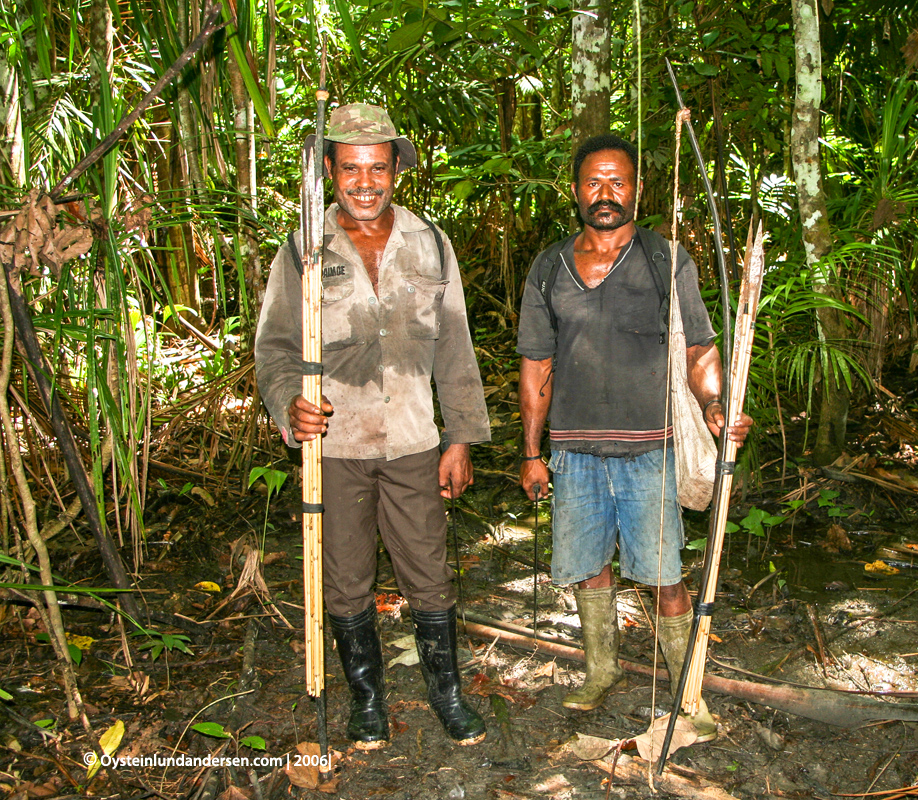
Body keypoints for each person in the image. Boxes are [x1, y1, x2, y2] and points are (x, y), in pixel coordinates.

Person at [255, 103, 489, 749]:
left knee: (429, 571)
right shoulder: (304, 246)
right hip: (334, 446)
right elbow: (273, 348)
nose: (365, 181)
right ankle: (366, 702)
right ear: (330, 170)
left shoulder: (430, 242)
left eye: (377, 167)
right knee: (346, 574)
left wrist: (460, 437)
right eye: (351, 167)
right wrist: (287, 404)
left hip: (414, 438)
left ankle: (447, 695)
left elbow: (455, 347)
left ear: (396, 171)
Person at [516, 133, 751, 743]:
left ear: (638, 190)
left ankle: (686, 690)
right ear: (574, 191)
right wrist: (532, 452)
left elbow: (698, 345)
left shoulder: (666, 260)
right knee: (590, 567)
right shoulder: (549, 266)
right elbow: (537, 363)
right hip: (574, 448)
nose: (606, 194)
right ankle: (601, 670)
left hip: (652, 447)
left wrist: (715, 405)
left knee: (664, 572)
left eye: (618, 182)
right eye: (594, 182)